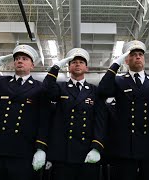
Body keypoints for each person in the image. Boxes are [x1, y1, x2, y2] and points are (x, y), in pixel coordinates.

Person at [0, 44, 48, 180]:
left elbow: (43, 120)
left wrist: (41, 148)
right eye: (17, 58)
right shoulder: (0, 82)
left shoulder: (39, 88)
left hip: (23, 150)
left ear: (32, 66)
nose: (20, 61)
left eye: (24, 59)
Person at [97, 40, 149, 180]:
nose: (138, 57)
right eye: (133, 55)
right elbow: (102, 91)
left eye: (140, 54)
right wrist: (115, 64)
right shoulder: (118, 81)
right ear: (126, 60)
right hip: (125, 147)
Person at [43, 48, 105, 180]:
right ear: (69, 67)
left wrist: (97, 147)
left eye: (81, 62)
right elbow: (46, 90)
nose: (77, 64)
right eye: (74, 62)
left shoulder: (94, 90)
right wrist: (55, 67)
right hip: (63, 153)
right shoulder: (60, 87)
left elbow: (100, 121)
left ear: (86, 68)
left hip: (87, 152)